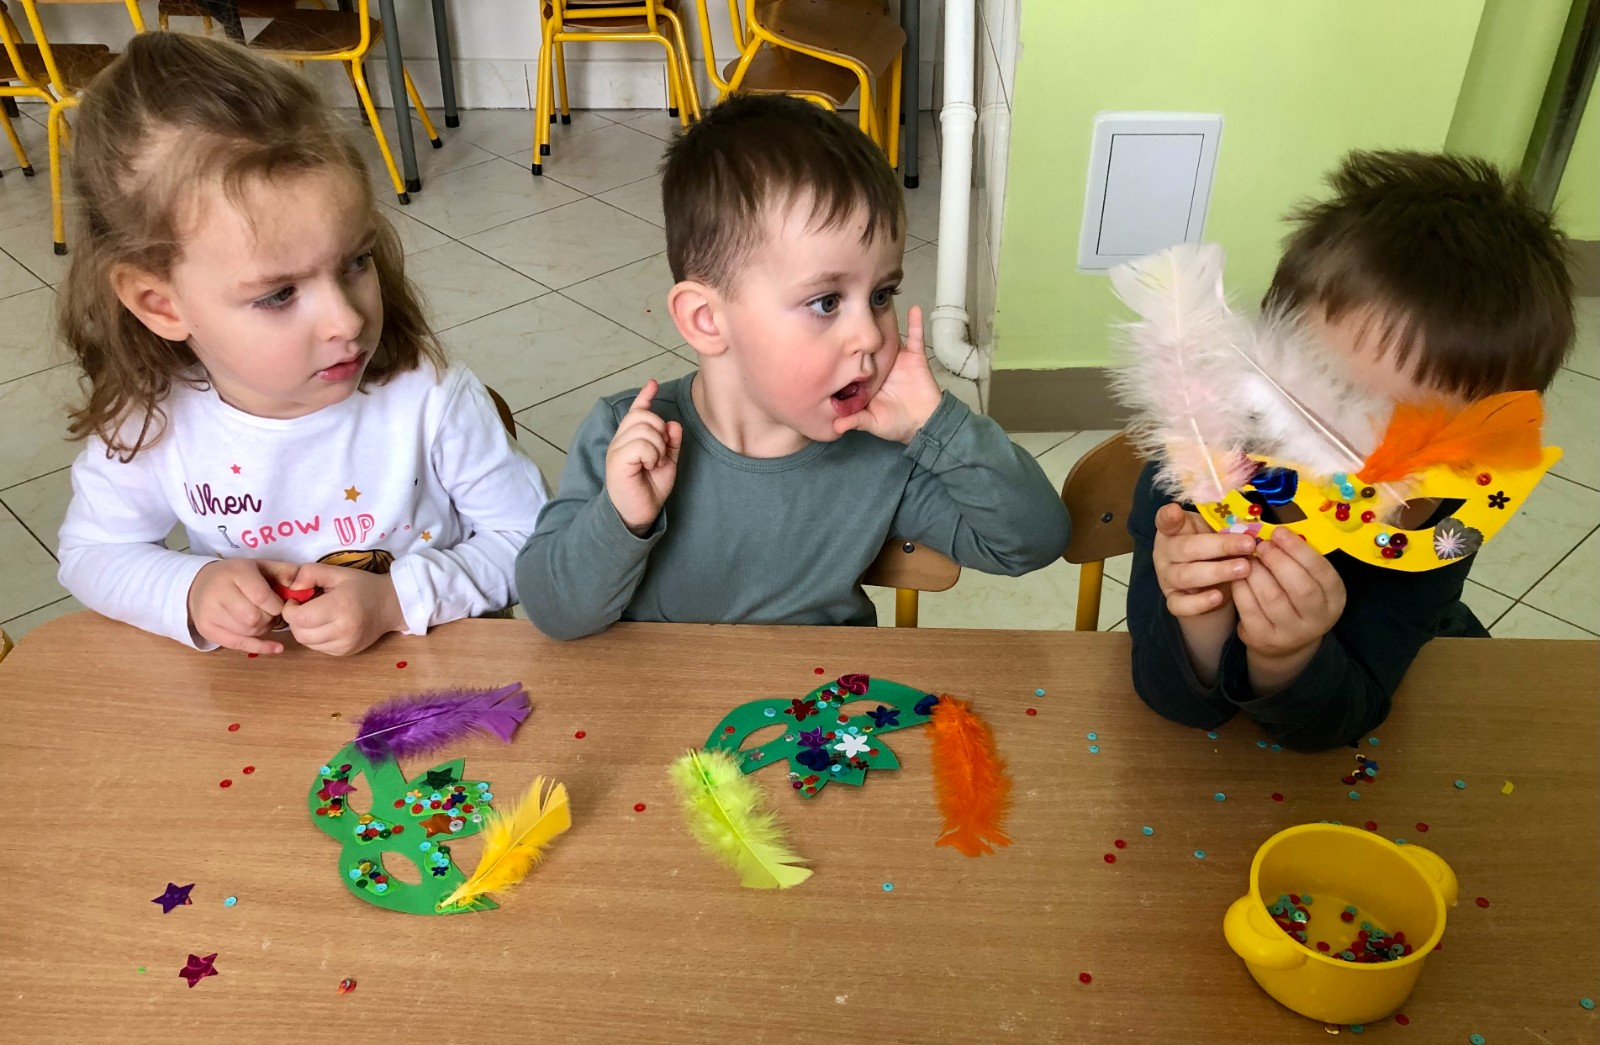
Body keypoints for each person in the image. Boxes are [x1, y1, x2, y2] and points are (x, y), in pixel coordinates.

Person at [56, 33, 547, 656]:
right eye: (279, 294)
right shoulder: (149, 423)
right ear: (161, 304)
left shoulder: (430, 396)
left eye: (356, 261)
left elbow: (535, 543)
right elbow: (91, 553)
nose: (346, 321)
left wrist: (397, 599)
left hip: (443, 674)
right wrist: (190, 588)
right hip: (269, 696)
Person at [516, 95, 1069, 638]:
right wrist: (622, 518)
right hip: (663, 695)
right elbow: (555, 613)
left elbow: (1033, 542)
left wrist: (940, 427)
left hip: (824, 697)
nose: (870, 335)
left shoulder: (880, 452)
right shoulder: (627, 438)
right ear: (707, 320)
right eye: (826, 302)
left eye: (881, 295)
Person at [1127, 151, 1575, 749]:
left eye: (1416, 439)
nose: (1356, 466)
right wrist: (1201, 621)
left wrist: (1288, 656)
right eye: (1329, 402)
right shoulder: (1190, 486)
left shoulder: (1435, 529)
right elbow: (1176, 706)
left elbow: (1339, 722)